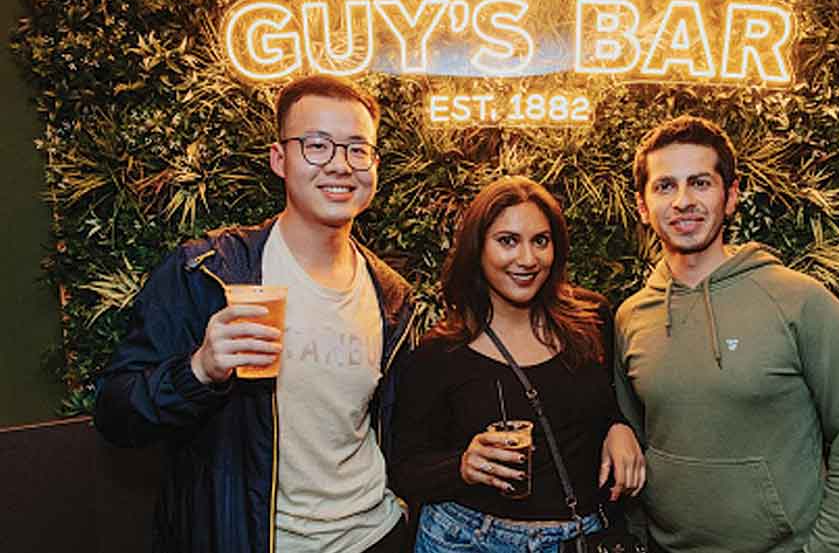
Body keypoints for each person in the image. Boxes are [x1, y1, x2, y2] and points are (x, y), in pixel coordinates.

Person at [94, 74, 415, 553]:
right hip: (256, 540)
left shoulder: (392, 296)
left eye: (356, 148)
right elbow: (116, 413)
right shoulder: (207, 273)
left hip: (374, 534)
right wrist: (198, 370)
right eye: (317, 145)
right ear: (279, 160)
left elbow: (393, 426)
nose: (339, 165)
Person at [614, 115, 839, 553]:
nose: (683, 201)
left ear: (731, 196)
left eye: (700, 183)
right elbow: (629, 438)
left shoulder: (801, 303)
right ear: (643, 206)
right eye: (665, 186)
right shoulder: (632, 316)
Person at [392, 176, 645, 553]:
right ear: (478, 249)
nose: (527, 260)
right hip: (469, 539)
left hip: (578, 537)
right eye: (508, 241)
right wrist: (462, 465)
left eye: (540, 241)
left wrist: (619, 428)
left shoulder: (591, 320)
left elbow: (601, 408)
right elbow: (404, 470)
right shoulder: (439, 355)